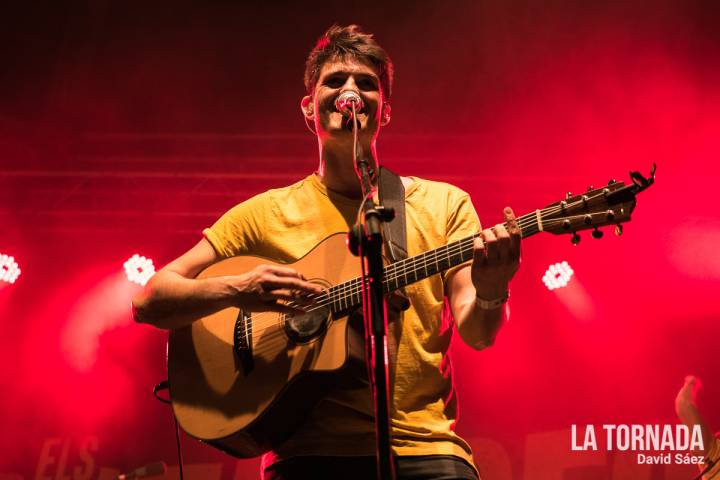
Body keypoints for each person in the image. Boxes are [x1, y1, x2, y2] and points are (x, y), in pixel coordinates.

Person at [132, 24, 521, 480]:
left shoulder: (444, 205)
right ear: (308, 108)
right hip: (305, 456)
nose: (350, 91)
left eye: (367, 83)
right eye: (335, 81)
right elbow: (149, 300)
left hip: (426, 451)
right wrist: (240, 288)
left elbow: (478, 332)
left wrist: (492, 290)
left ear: (385, 112)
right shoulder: (266, 213)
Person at [675, 376, 719, 479]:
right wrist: (692, 384)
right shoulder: (714, 452)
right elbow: (684, 405)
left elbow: (684, 405)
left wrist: (692, 383)